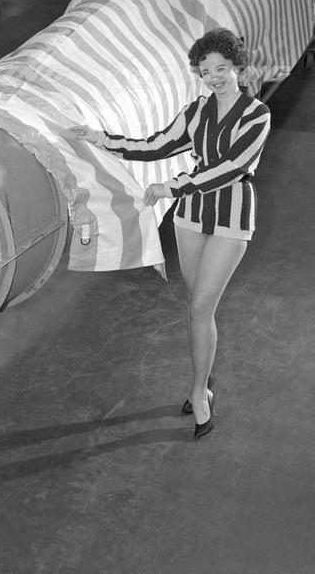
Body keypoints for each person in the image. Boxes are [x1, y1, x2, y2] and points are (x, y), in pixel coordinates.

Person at [69, 29, 271, 440]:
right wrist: (100, 138)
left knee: (200, 306)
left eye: (222, 69)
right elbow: (155, 146)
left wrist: (173, 186)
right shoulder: (196, 110)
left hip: (232, 214)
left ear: (237, 66)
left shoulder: (257, 114)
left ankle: (198, 394)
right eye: (205, 71)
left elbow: (232, 168)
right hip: (191, 216)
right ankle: (202, 387)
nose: (214, 78)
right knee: (198, 309)